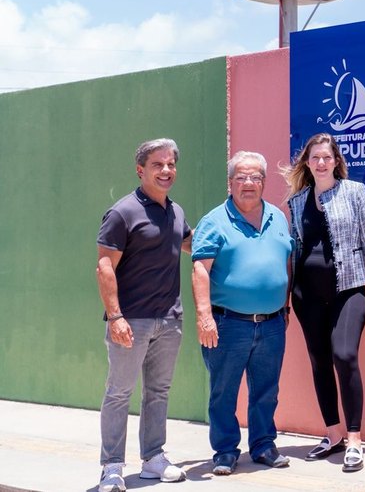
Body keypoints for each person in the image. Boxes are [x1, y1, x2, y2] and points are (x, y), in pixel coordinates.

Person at [284, 132, 365, 473]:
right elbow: (293, 250)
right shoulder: (297, 201)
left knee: (344, 355)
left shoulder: (354, 192)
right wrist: (285, 297)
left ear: (336, 162)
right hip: (307, 294)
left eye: (327, 157)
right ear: (307, 161)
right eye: (315, 157)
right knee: (319, 362)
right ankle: (333, 435)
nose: (321, 162)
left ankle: (355, 439)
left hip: (349, 289)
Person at [190, 151, 295, 476]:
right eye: (242, 177)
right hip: (227, 324)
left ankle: (263, 445)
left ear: (263, 182)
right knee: (224, 391)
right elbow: (200, 269)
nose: (248, 183)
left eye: (255, 177)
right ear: (230, 182)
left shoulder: (278, 217)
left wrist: (285, 305)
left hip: (272, 323)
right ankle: (224, 451)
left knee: (267, 389)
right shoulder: (215, 220)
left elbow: (286, 262)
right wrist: (204, 316)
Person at [95, 138, 190, 492]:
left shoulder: (175, 211)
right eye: (157, 165)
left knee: (158, 392)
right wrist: (115, 316)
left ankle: (153, 459)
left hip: (169, 320)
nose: (166, 171)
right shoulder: (123, 212)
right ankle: (112, 467)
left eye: (170, 164)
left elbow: (191, 243)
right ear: (141, 170)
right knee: (119, 393)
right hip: (130, 320)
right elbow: (105, 266)